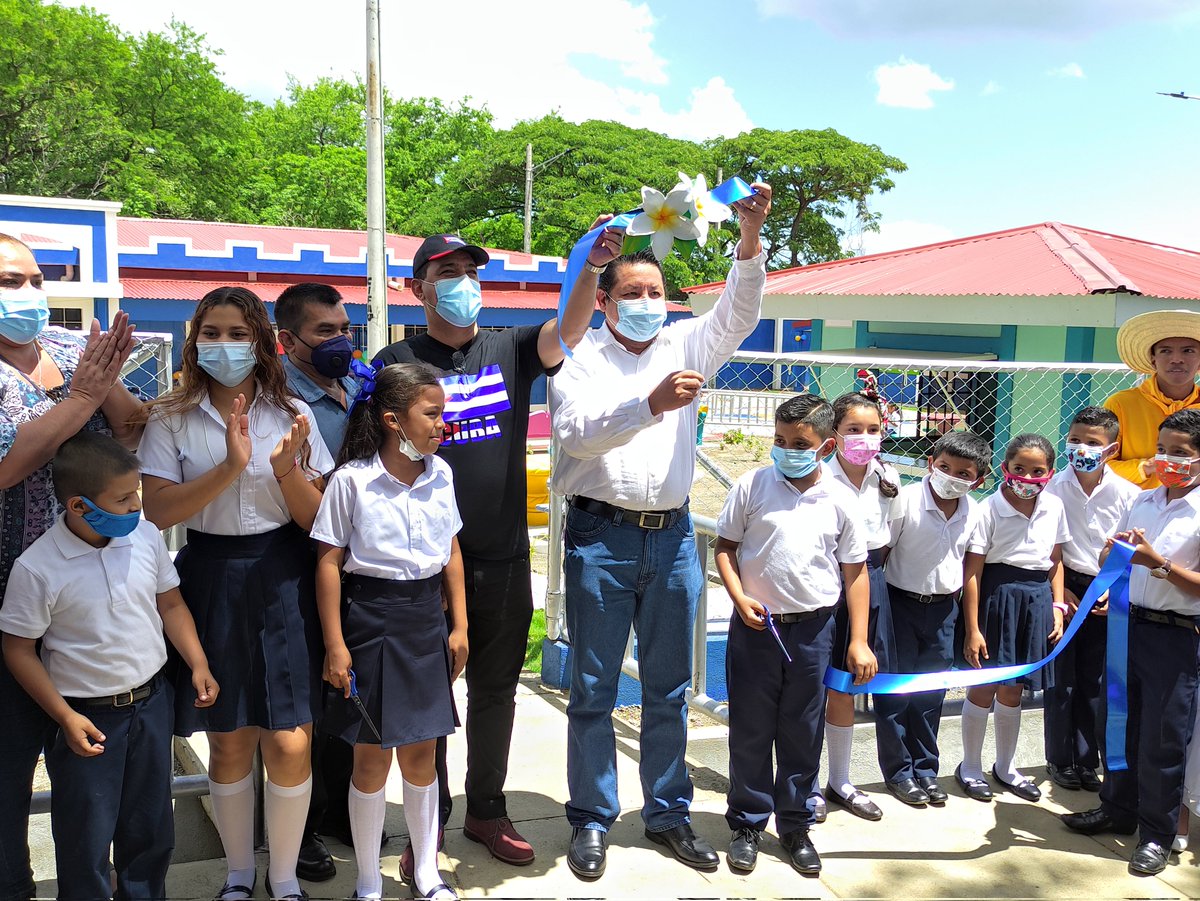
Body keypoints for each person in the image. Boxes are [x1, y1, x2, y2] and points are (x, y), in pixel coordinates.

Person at [374, 225, 616, 873]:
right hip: (422, 567)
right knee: (428, 701)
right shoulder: (395, 363)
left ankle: (486, 808)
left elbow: (570, 328)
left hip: (503, 559)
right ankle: (428, 823)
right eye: (447, 273)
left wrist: (591, 267)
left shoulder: (510, 347)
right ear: (418, 288)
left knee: (494, 693)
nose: (464, 284)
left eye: (471, 273)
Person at [549, 183, 772, 878]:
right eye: (633, 292)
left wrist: (749, 237)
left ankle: (668, 813)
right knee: (593, 685)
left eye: (657, 291)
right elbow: (574, 435)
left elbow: (738, 313)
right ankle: (591, 817)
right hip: (600, 537)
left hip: (673, 539)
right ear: (606, 300)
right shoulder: (579, 353)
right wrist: (648, 404)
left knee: (669, 688)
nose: (648, 301)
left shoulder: (684, 341)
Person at [138, 286, 333, 901]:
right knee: (228, 737)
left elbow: (316, 518)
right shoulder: (171, 416)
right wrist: (229, 465)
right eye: (212, 333)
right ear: (195, 340)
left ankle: (284, 877)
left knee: (289, 738)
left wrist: (284, 468)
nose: (224, 345)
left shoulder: (292, 411)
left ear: (263, 342)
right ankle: (239, 874)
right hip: (210, 574)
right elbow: (157, 510)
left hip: (284, 573)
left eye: (239, 333)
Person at [0, 433, 217, 900]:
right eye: (122, 499)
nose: (136, 505)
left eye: (135, 493)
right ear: (79, 506)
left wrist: (197, 662)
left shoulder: (145, 537)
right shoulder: (37, 568)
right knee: (86, 839)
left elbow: (170, 603)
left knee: (151, 830)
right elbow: (18, 649)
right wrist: (64, 716)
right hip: (86, 720)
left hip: (152, 705)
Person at [0, 233, 142, 901]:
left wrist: (102, 386)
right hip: (12, 600)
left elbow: (131, 429)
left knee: (90, 769)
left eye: (35, 279)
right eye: (10, 282)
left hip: (90, 600)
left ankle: (89, 881)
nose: (28, 293)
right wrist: (79, 399)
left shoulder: (66, 347)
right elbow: (7, 468)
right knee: (9, 766)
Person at [312, 363, 468, 901]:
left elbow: (451, 551)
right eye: (432, 414)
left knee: (423, 755)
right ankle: (368, 880)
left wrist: (459, 624)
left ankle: (426, 873)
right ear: (393, 420)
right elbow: (328, 562)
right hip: (371, 623)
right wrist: (335, 644)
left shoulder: (441, 474)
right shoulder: (352, 480)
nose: (442, 424)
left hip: (425, 621)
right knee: (371, 757)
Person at [715, 393, 875, 876]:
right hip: (756, 629)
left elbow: (855, 573)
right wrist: (739, 597)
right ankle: (747, 823)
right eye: (780, 440)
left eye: (800, 443)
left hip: (813, 632)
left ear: (827, 446)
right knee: (750, 729)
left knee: (802, 732)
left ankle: (795, 825)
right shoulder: (752, 485)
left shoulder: (841, 499)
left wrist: (858, 639)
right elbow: (726, 547)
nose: (787, 450)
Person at [1062, 409, 1200, 875]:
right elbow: (1121, 555)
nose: (1167, 460)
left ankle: (1158, 834)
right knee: (1118, 723)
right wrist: (1113, 556)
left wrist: (1157, 563)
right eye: (1162, 449)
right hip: (1128, 626)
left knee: (1163, 739)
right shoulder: (1144, 500)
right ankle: (1117, 808)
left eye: (1180, 453)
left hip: (1175, 636)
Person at [275, 282, 362, 879]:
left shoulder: (358, 385)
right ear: (288, 341)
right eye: (325, 332)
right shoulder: (281, 402)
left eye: (345, 328)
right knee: (300, 702)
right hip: (300, 559)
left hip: (359, 562)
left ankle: (335, 810)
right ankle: (296, 828)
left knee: (345, 689)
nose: (341, 341)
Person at [874, 430, 990, 808]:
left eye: (963, 473)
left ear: (979, 480)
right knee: (895, 693)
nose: (951, 477)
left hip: (943, 612)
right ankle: (899, 773)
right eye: (944, 467)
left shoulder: (975, 512)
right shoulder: (905, 501)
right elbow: (881, 556)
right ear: (930, 464)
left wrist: (972, 629)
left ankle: (926, 769)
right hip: (898, 606)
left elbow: (971, 572)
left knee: (930, 694)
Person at [956, 433, 1068, 804]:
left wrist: (1057, 607)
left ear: (1050, 473)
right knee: (985, 683)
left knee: (1014, 687)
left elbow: (1055, 561)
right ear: (1005, 468)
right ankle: (970, 767)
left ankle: (1006, 766)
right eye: (1019, 468)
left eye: (1037, 471)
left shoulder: (1054, 506)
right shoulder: (988, 509)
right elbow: (972, 572)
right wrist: (973, 629)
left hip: (1036, 602)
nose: (1027, 477)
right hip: (997, 599)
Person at [1043, 407, 1138, 792]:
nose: (1081, 448)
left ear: (1111, 449)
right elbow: (1047, 546)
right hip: (1063, 586)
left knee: (1094, 680)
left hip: (1107, 590)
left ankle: (1087, 760)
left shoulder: (1129, 495)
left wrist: (1114, 591)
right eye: (1075, 439)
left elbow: (1129, 551)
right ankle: (1059, 759)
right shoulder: (1051, 487)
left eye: (1093, 442)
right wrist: (1059, 591)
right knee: (1061, 678)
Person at [818, 392, 900, 819]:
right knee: (811, 686)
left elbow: (893, 536)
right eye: (853, 429)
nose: (864, 438)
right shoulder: (818, 476)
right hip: (823, 583)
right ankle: (805, 784)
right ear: (834, 433)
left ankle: (840, 781)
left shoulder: (888, 477)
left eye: (873, 429)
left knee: (845, 686)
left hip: (869, 581)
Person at [1105, 309, 1200, 489]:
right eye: (1166, 351)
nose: (1177, 359)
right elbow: (1102, 465)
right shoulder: (1121, 404)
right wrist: (1146, 467)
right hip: (1133, 502)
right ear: (1153, 359)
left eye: (1188, 351)